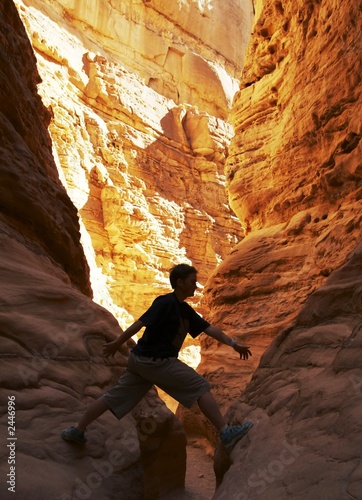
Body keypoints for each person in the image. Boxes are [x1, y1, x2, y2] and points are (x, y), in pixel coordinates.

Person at [61, 264, 253, 452]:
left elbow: (209, 329)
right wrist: (117, 343)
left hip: (140, 362)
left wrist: (233, 343)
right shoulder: (165, 303)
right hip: (155, 361)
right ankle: (225, 433)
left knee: (113, 397)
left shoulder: (185, 311)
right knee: (201, 386)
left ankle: (78, 429)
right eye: (193, 281)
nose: (196, 285)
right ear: (180, 282)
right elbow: (140, 323)